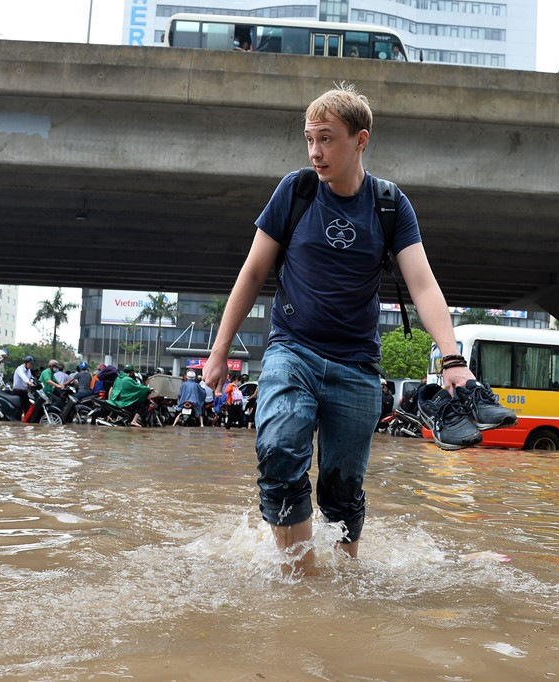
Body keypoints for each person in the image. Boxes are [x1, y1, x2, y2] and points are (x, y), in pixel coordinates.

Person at [202, 83, 476, 574]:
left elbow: (423, 284)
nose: (315, 152)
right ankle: (298, 581)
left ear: (360, 140)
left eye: (326, 139)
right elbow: (253, 271)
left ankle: (344, 580)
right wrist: (219, 350)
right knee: (280, 452)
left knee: (342, 489)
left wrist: (452, 358)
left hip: (356, 366)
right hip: (293, 350)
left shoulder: (390, 205)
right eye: (309, 139)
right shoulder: (296, 190)